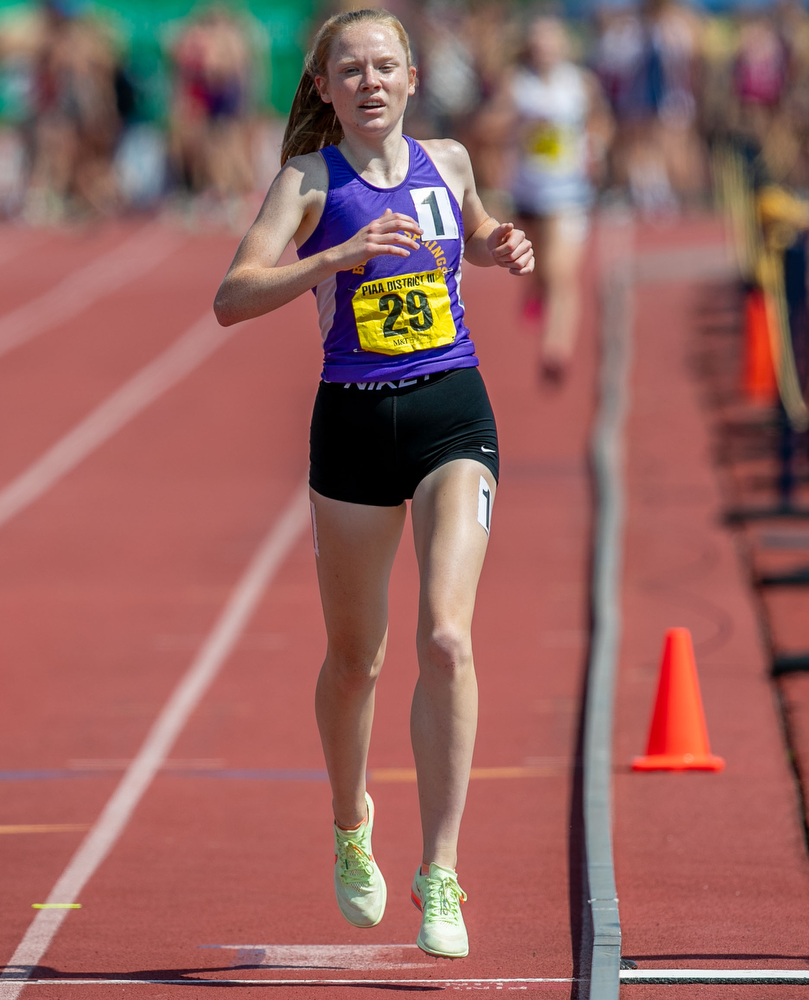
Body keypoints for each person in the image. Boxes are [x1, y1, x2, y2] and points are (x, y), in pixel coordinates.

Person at [213, 7, 533, 959]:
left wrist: (499, 244)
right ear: (323, 88)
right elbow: (232, 297)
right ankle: (353, 822)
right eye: (349, 69)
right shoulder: (309, 180)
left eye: (385, 66)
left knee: (446, 634)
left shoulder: (452, 160)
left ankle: (441, 872)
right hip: (351, 427)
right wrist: (336, 257)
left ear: (412, 74)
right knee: (357, 660)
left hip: (452, 414)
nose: (369, 83)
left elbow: (469, 233)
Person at [503, 13, 611, 380]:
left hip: (569, 192)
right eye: (537, 42)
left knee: (562, 274)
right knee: (540, 269)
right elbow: (488, 126)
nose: (544, 49)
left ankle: (556, 348)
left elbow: (601, 122)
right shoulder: (516, 85)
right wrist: (515, 125)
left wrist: (595, 148)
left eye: (551, 41)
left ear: (563, 45)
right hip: (528, 190)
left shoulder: (581, 82)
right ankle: (536, 290)